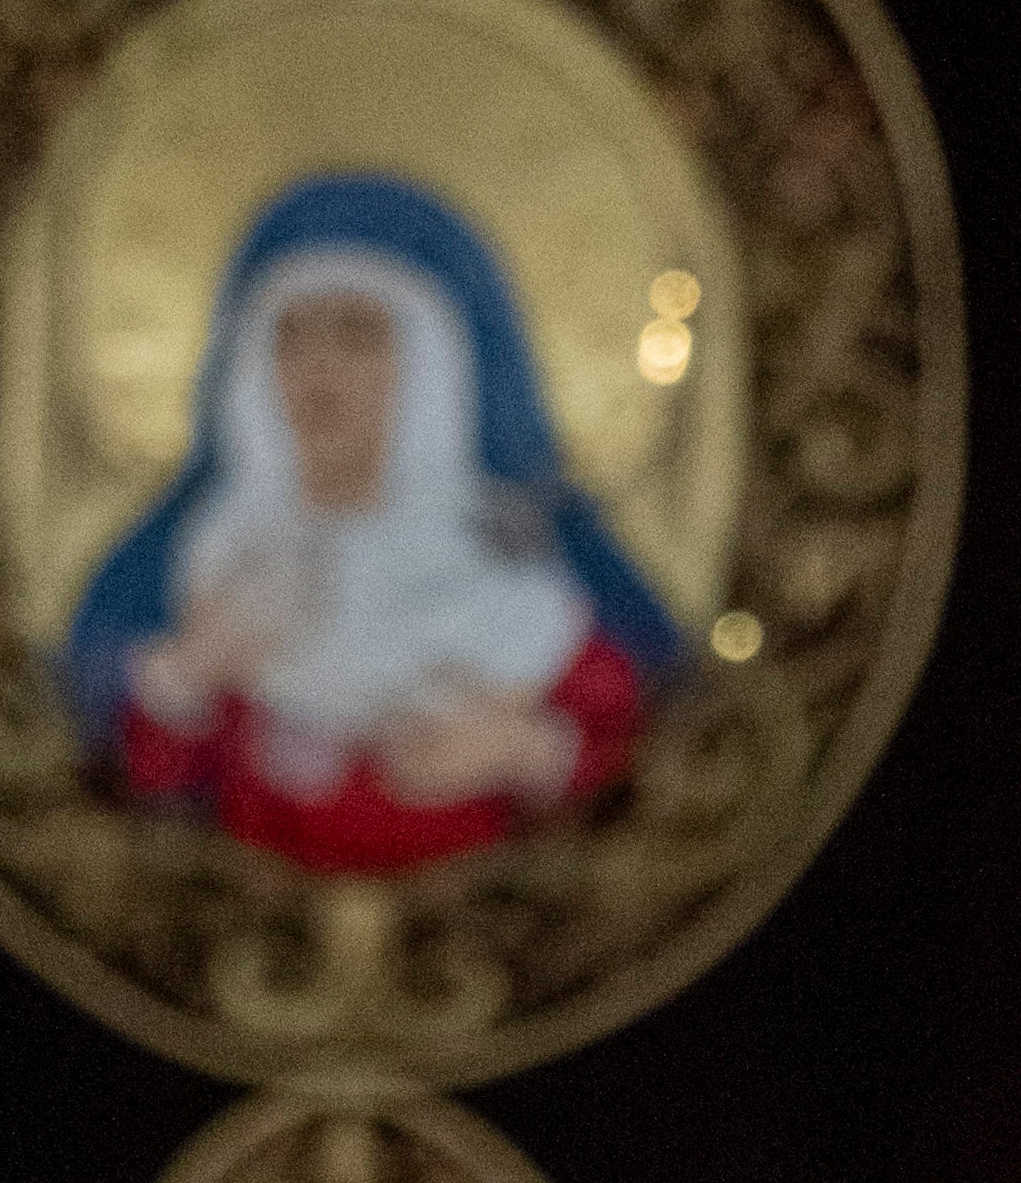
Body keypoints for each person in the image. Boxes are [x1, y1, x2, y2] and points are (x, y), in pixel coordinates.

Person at [63, 166, 679, 876]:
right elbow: (139, 790)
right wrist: (192, 674)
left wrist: (523, 749)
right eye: (289, 335)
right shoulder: (207, 559)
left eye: (358, 334)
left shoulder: (513, 559)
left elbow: (629, 748)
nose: (316, 367)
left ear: (434, 366)